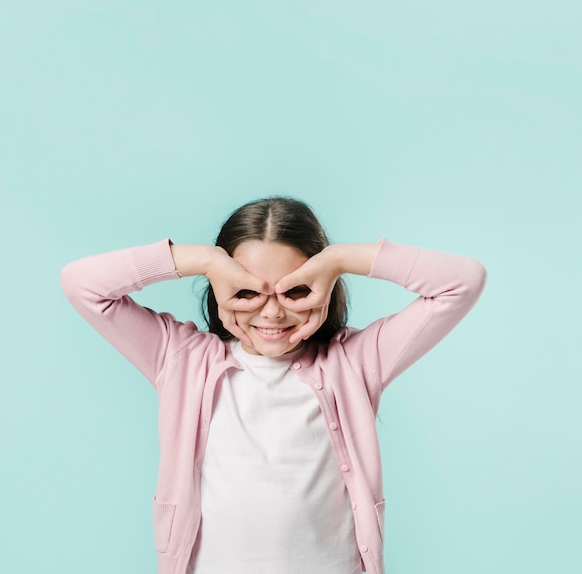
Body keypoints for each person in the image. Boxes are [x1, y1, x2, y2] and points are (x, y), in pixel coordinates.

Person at [60, 196, 487, 574]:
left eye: (295, 290)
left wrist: (340, 260)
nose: (272, 313)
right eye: (247, 291)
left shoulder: (354, 362)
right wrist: (205, 261)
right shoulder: (180, 357)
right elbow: (83, 284)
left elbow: (462, 281)